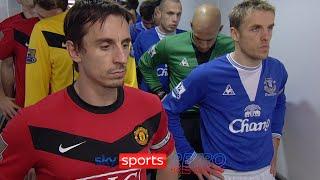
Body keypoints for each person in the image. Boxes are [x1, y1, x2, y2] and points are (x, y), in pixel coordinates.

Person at [0, 1, 178, 179]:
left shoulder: (149, 106)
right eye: (105, 46)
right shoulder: (30, 125)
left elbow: (166, 158)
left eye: (125, 44)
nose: (122, 58)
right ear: (74, 51)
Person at [163, 0, 288, 179]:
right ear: (235, 34)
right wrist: (189, 157)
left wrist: (275, 141)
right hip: (223, 173)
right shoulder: (206, 75)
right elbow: (167, 109)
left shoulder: (277, 70)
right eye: (256, 28)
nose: (266, 36)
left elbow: (279, 102)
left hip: (265, 170)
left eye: (270, 28)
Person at [138, 3, 234, 178]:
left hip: (215, 121)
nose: (204, 45)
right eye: (198, 38)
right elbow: (145, 63)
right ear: (191, 26)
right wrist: (159, 91)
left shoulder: (232, 47)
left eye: (210, 39)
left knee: (214, 170)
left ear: (220, 29)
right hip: (183, 119)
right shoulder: (171, 44)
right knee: (182, 169)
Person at [134, 0, 184, 93]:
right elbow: (135, 71)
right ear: (158, 12)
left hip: (178, 100)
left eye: (178, 14)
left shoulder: (185, 38)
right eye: (170, 13)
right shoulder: (143, 38)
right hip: (149, 98)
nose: (175, 19)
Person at [0, 0, 38, 120]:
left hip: (59, 100)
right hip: (25, 105)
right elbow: (7, 66)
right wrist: (3, 99)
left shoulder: (64, 22)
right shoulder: (9, 26)